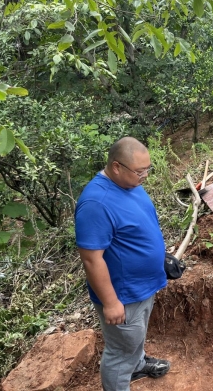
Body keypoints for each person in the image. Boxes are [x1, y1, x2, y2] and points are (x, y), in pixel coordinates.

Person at [75, 137, 170, 391]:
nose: (145, 176)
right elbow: (91, 258)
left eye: (147, 169)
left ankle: (137, 365)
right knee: (120, 351)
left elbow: (137, 228)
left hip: (142, 286)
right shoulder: (96, 204)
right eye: (140, 171)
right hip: (123, 295)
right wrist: (110, 302)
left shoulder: (130, 184)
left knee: (134, 337)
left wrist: (160, 257)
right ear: (116, 167)